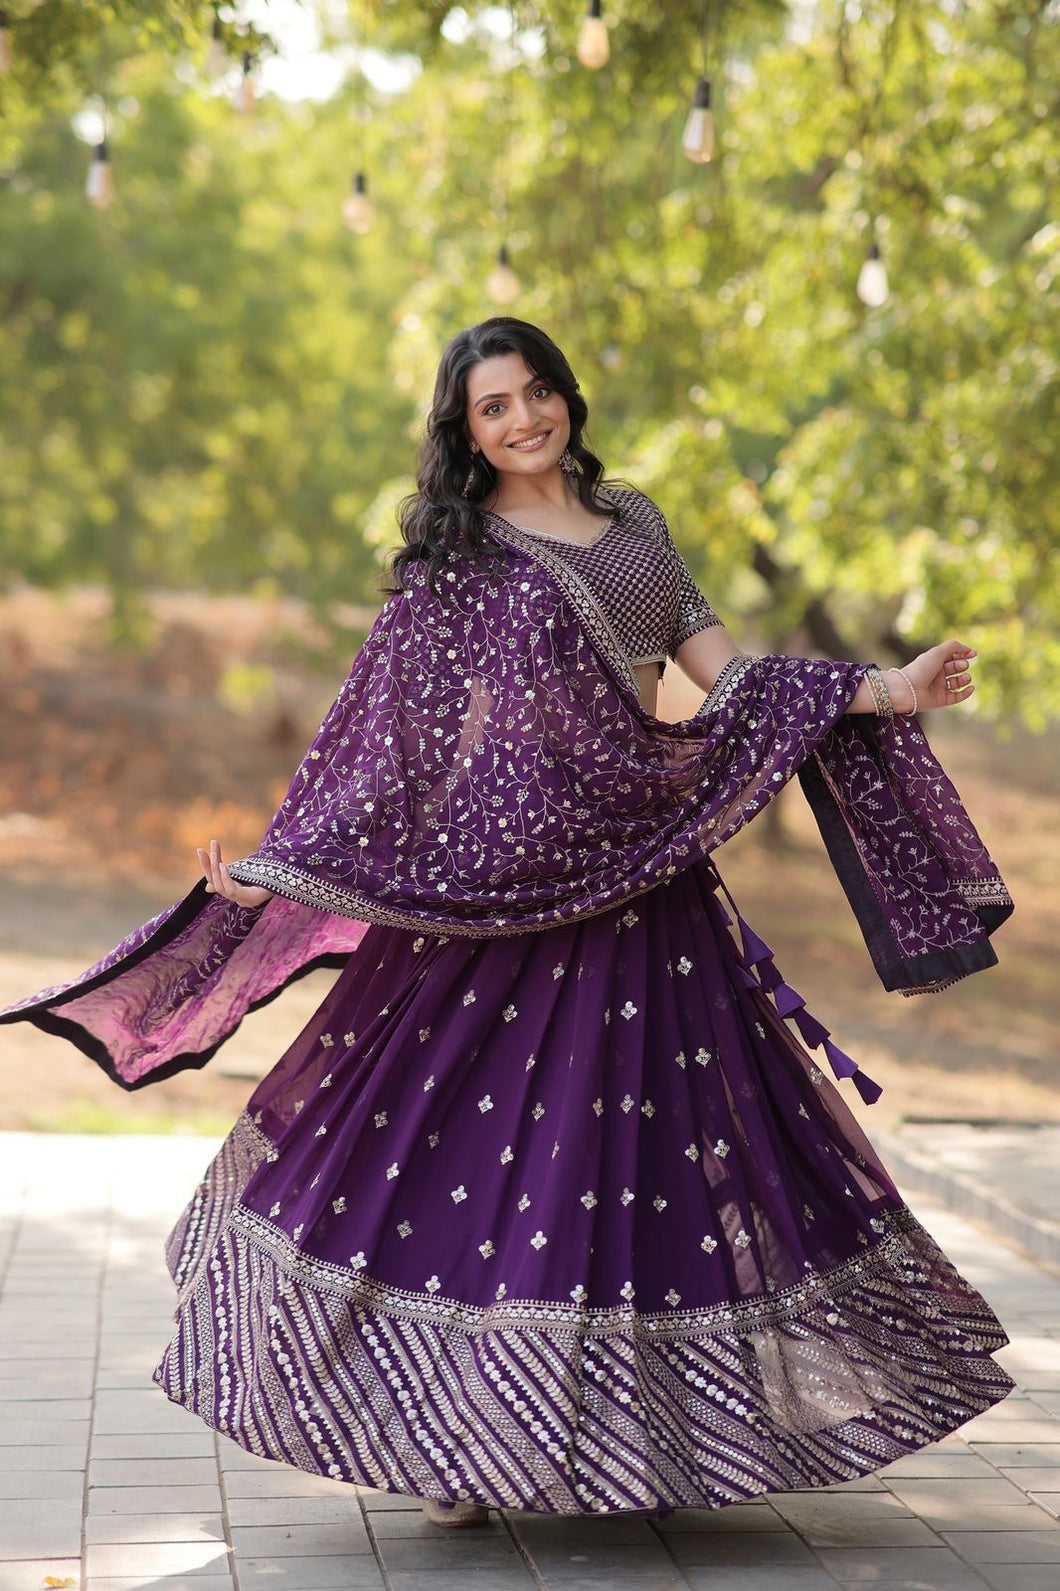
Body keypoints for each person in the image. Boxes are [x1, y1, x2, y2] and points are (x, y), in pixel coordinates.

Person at [1, 317, 1016, 1529]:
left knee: (641, 1169)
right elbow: (392, 748)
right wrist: (283, 867)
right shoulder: (460, 559)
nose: (524, 420)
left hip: (646, 892)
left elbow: (729, 682)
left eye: (537, 393)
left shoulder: (635, 524)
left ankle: (645, 1444)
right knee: (464, 1163)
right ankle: (454, 1449)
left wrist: (885, 689)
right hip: (496, 902)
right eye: (494, 406)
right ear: (464, 429)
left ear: (565, 398)